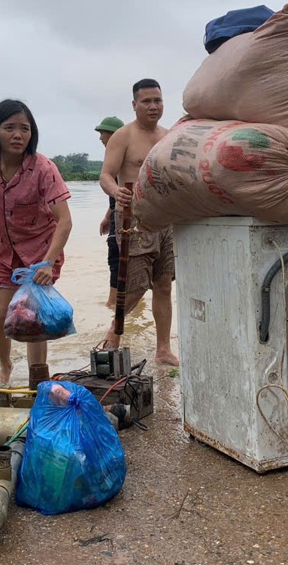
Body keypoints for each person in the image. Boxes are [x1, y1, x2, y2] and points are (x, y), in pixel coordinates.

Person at [0, 100, 73, 385]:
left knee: (34, 317)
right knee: (2, 313)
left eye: (24, 129)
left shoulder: (43, 169)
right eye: (10, 128)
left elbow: (65, 221)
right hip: (2, 250)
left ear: (32, 133)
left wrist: (48, 263)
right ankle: (5, 369)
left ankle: (37, 376)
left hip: (41, 251)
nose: (18, 135)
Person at [99, 79, 179, 366]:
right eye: (146, 101)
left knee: (163, 285)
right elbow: (106, 175)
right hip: (133, 219)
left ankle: (163, 350)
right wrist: (115, 192)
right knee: (134, 286)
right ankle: (114, 330)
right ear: (134, 105)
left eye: (157, 100)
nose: (153, 106)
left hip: (166, 221)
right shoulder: (123, 136)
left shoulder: (169, 136)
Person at [95, 116, 125, 308]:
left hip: (123, 217)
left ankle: (112, 303)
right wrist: (107, 216)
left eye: (103, 133)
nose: (100, 138)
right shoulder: (114, 158)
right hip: (116, 214)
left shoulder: (120, 158)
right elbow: (117, 195)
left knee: (116, 257)